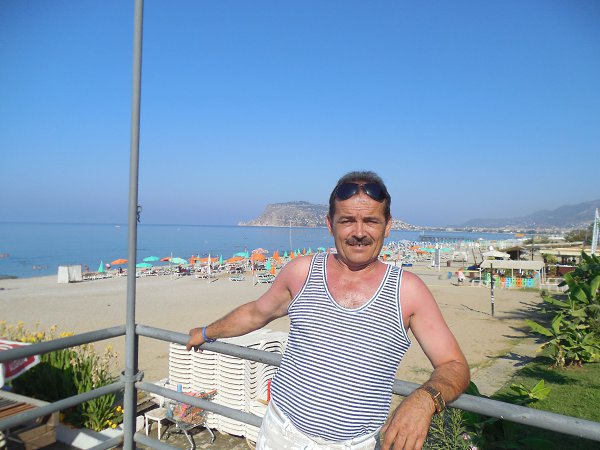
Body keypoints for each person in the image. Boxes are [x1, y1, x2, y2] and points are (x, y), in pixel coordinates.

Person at [186, 171, 470, 450]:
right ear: (330, 225)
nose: (359, 233)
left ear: (387, 226)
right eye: (347, 221)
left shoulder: (408, 292)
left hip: (355, 444)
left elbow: (454, 365)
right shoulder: (301, 273)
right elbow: (255, 314)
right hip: (281, 433)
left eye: (371, 221)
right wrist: (207, 332)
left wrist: (424, 399)